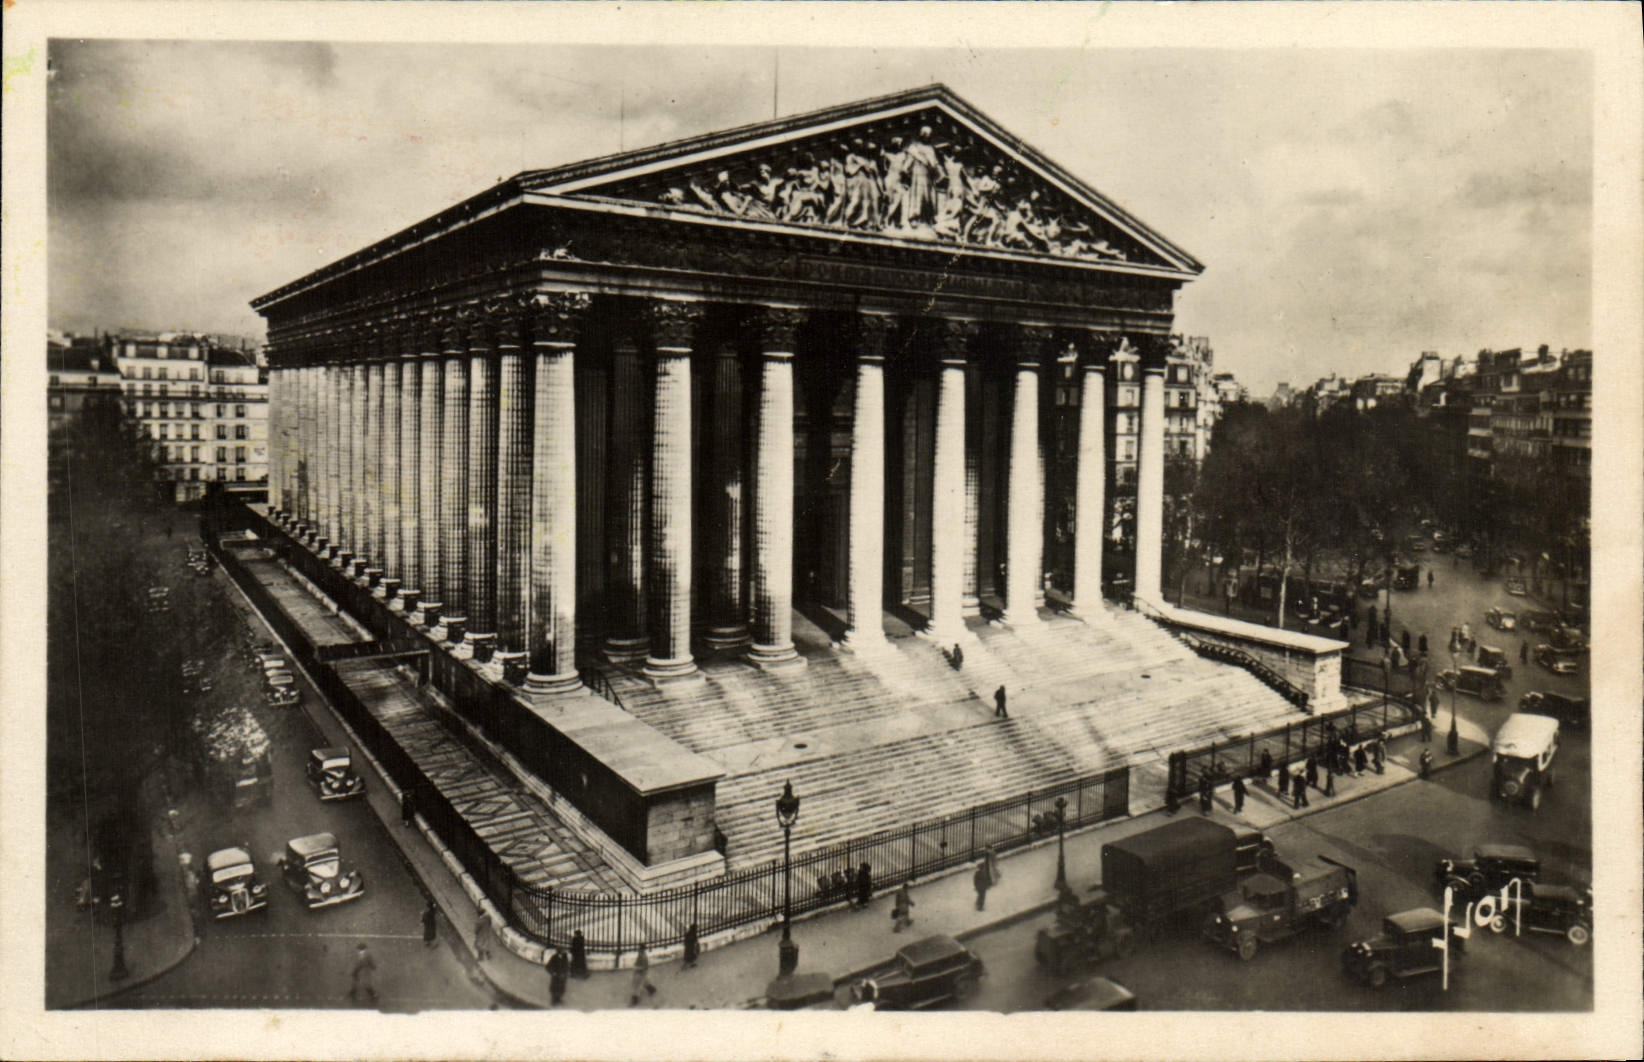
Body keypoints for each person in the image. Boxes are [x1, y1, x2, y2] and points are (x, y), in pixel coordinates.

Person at [349, 942, 378, 1006]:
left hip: (363, 971)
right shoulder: (365, 954)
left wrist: (354, 970)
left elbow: (369, 963)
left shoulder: (365, 955)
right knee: (356, 982)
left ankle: (374, 995)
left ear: (359, 949)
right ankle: (352, 993)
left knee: (365, 984)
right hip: (359, 971)